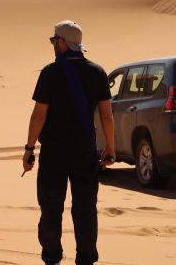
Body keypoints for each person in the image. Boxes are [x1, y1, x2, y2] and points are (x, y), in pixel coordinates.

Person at [22, 21, 115, 265]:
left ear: (63, 42)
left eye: (54, 40)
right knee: (85, 209)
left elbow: (38, 115)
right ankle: (85, 259)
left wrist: (29, 149)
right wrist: (110, 148)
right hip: (85, 152)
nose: (53, 44)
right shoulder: (97, 72)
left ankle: (52, 258)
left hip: (54, 154)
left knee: (51, 209)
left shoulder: (50, 73)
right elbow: (106, 115)